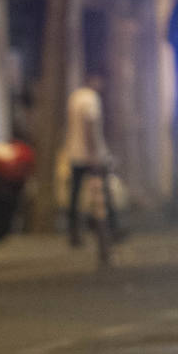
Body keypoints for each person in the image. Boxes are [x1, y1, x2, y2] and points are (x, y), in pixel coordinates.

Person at [61, 72, 120, 247]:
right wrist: (94, 153)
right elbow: (90, 126)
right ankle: (110, 230)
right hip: (90, 155)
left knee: (75, 195)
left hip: (74, 152)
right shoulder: (91, 99)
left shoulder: (75, 97)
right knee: (103, 192)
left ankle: (74, 234)